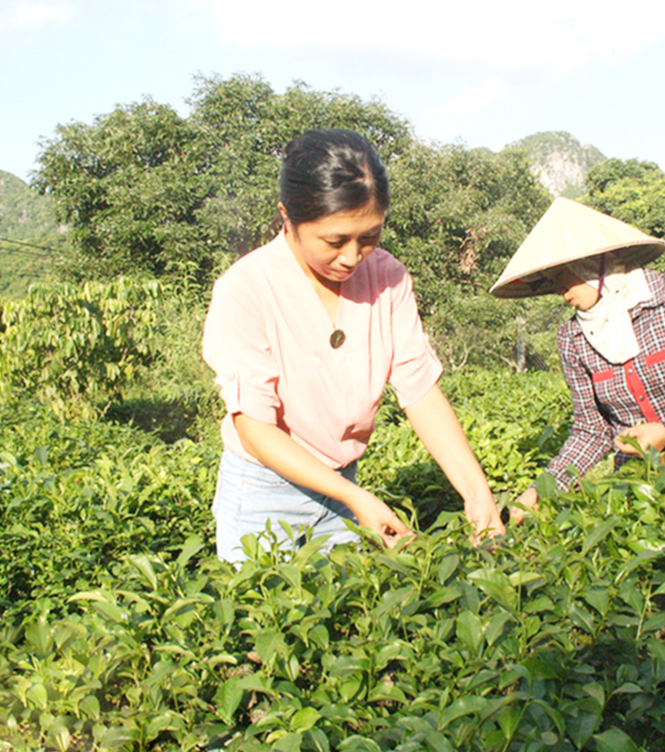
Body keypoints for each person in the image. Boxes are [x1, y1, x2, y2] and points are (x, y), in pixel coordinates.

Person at [202, 128, 505, 562]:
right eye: (335, 241)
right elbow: (255, 429)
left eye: (369, 237)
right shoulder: (246, 290)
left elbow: (419, 391)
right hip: (265, 494)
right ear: (288, 217)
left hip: (344, 482)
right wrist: (356, 498)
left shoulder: (387, 277)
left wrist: (477, 494)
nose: (352, 257)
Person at [489, 197, 665, 519]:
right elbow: (592, 430)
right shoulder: (573, 338)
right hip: (641, 493)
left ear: (594, 266)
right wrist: (542, 489)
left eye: (564, 277)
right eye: (553, 282)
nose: (560, 291)